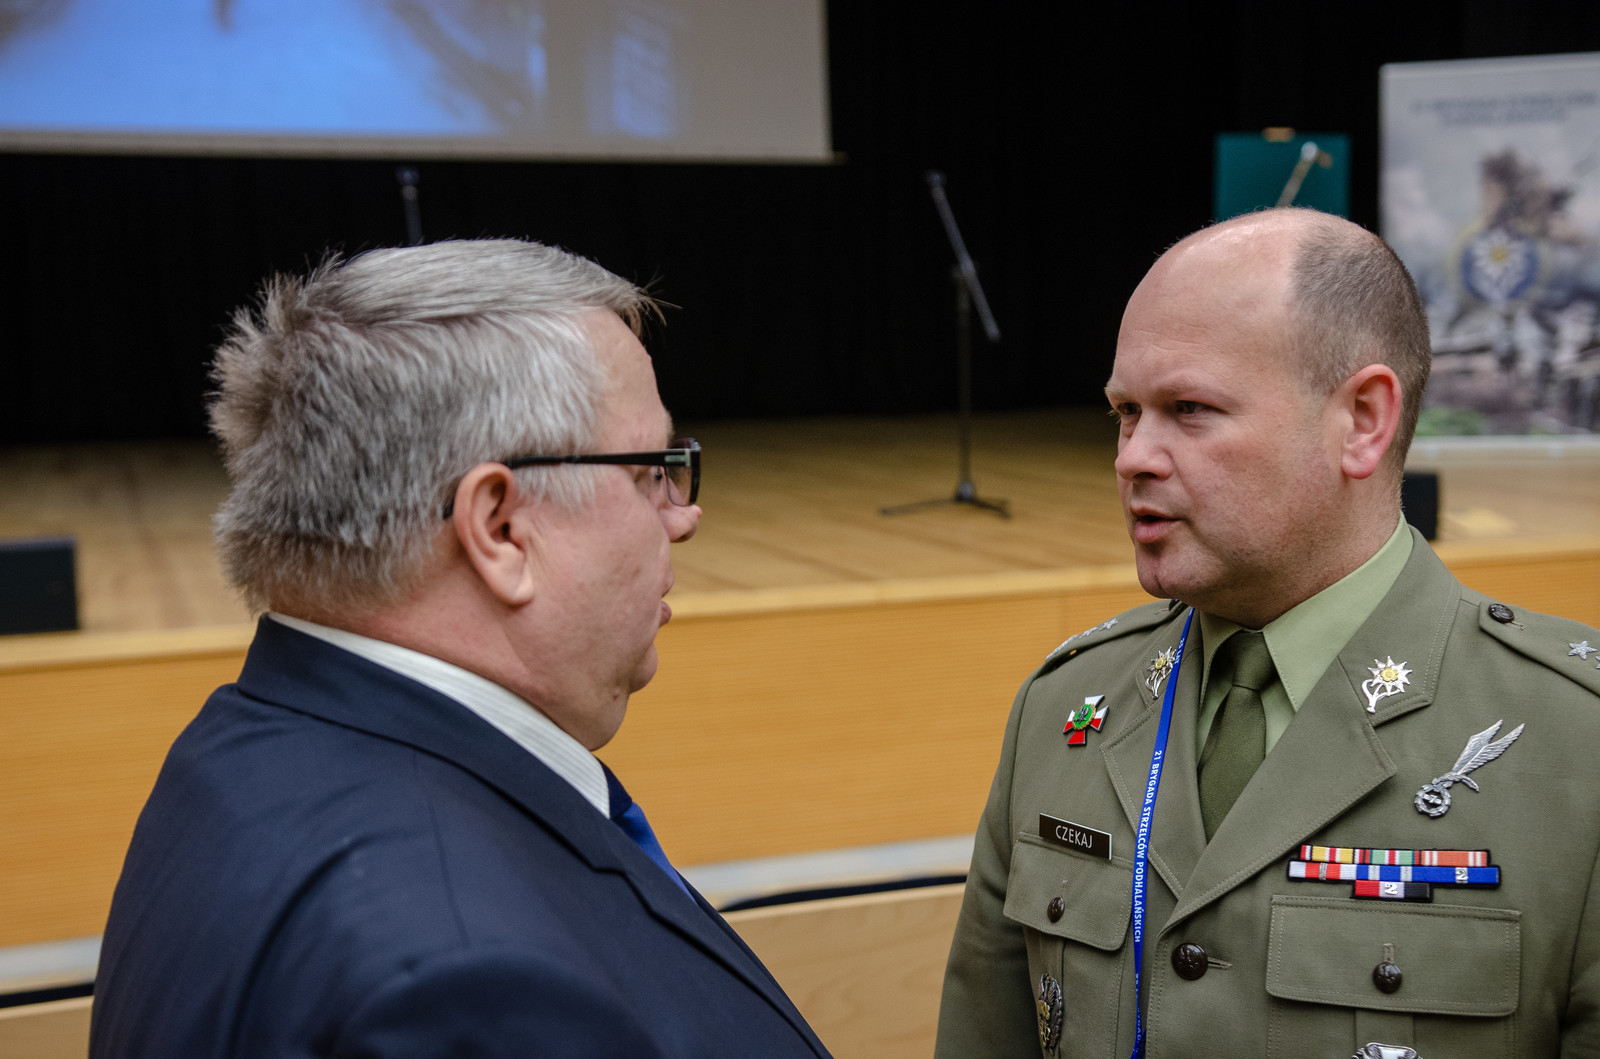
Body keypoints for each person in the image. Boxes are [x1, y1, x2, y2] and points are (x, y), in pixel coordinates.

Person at [90, 240, 831, 1059]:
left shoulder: (235, 755)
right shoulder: (468, 985)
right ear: (500, 528)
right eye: (652, 469)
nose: (683, 514)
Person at [935, 208, 1600, 1058]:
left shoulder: (1575, 740)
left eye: (1189, 408)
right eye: (1125, 412)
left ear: (1362, 419)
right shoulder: (1065, 705)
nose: (1133, 456)